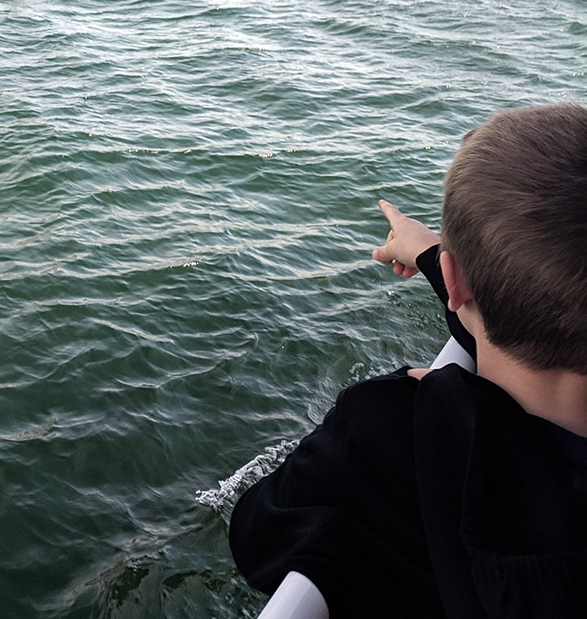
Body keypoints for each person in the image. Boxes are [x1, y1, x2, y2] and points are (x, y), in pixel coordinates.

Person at [229, 104, 587, 619]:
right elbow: (528, 311)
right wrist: (431, 253)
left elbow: (257, 536)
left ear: (455, 281)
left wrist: (421, 396)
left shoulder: (392, 425)